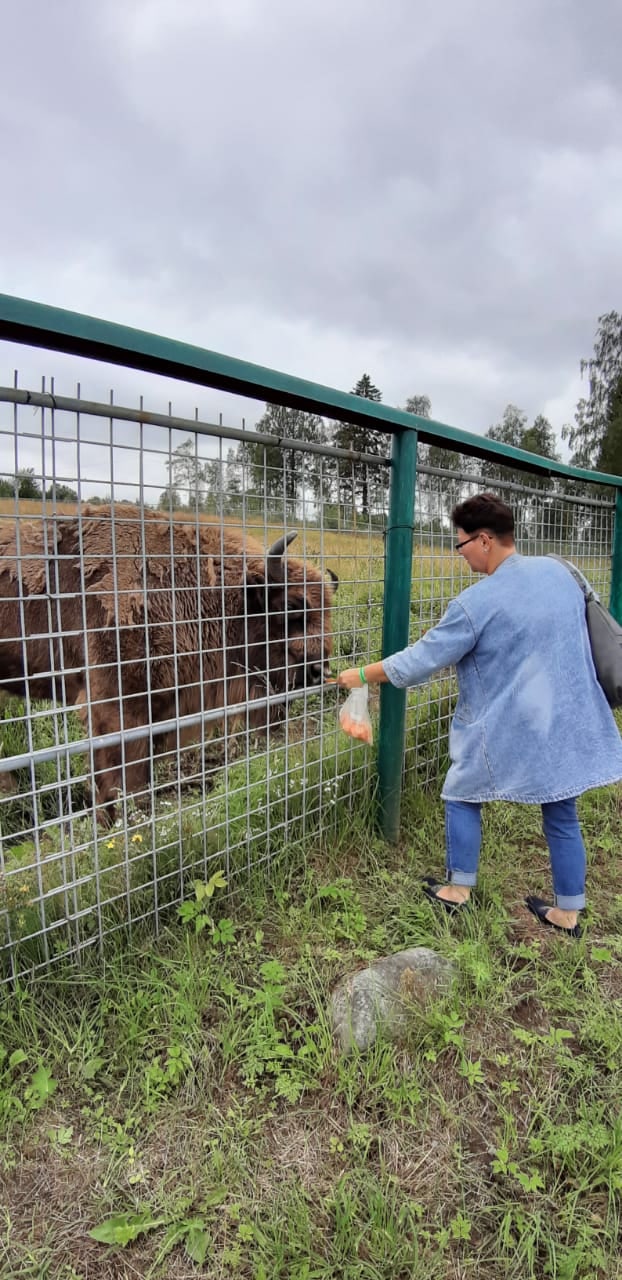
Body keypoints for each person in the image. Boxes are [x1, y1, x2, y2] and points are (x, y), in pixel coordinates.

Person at [337, 493, 622, 937]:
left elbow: (419, 661)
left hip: (509, 725)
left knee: (462, 791)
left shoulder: (476, 603)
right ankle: (568, 914)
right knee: (562, 809)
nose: (460, 552)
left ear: (485, 540)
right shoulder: (561, 571)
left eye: (461, 543)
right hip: (566, 718)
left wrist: (359, 673)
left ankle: (458, 889)